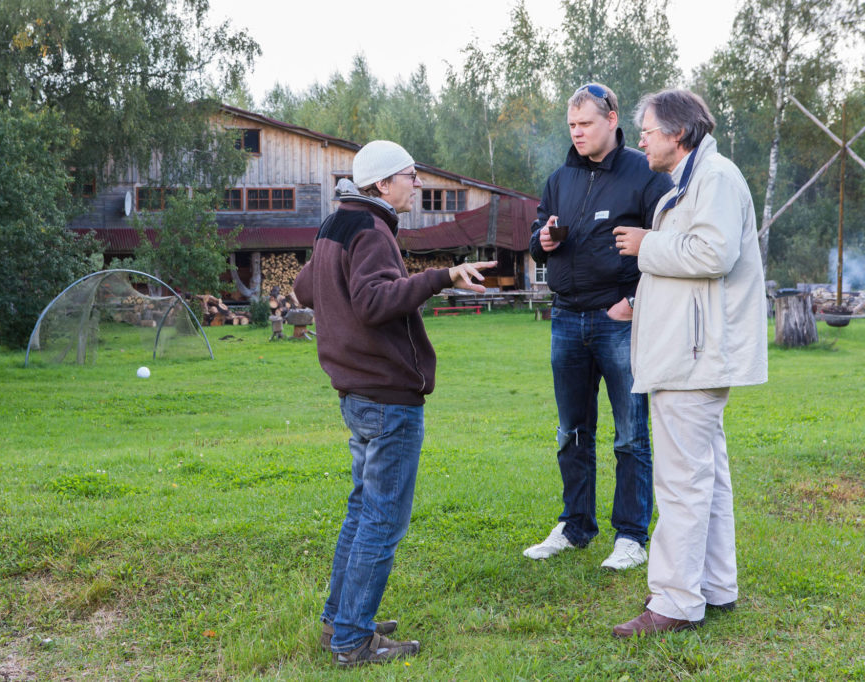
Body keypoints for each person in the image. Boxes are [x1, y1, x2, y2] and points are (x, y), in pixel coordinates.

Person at [293, 140, 494, 666]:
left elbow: (303, 288)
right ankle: (353, 642)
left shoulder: (336, 223)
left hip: (357, 395)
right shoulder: (372, 230)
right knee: (382, 519)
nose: (418, 183)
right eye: (411, 175)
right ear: (383, 184)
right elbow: (375, 300)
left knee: (363, 511)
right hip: (386, 399)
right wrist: (440, 277)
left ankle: (342, 622)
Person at [610, 89, 767, 637]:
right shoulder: (692, 181)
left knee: (682, 481)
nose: (644, 139)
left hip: (693, 357)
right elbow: (690, 262)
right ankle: (716, 586)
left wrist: (646, 244)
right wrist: (640, 299)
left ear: (678, 133)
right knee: (708, 478)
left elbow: (713, 254)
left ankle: (675, 602)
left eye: (649, 129)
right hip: (689, 351)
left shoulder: (715, 178)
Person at [524, 83, 673, 570]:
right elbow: (536, 235)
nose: (577, 133)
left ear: (612, 119)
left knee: (631, 434)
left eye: (585, 124)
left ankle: (631, 535)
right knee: (572, 431)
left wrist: (633, 300)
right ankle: (575, 525)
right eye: (571, 125)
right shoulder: (559, 178)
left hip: (619, 319)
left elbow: (672, 243)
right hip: (565, 317)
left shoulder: (644, 173)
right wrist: (541, 240)